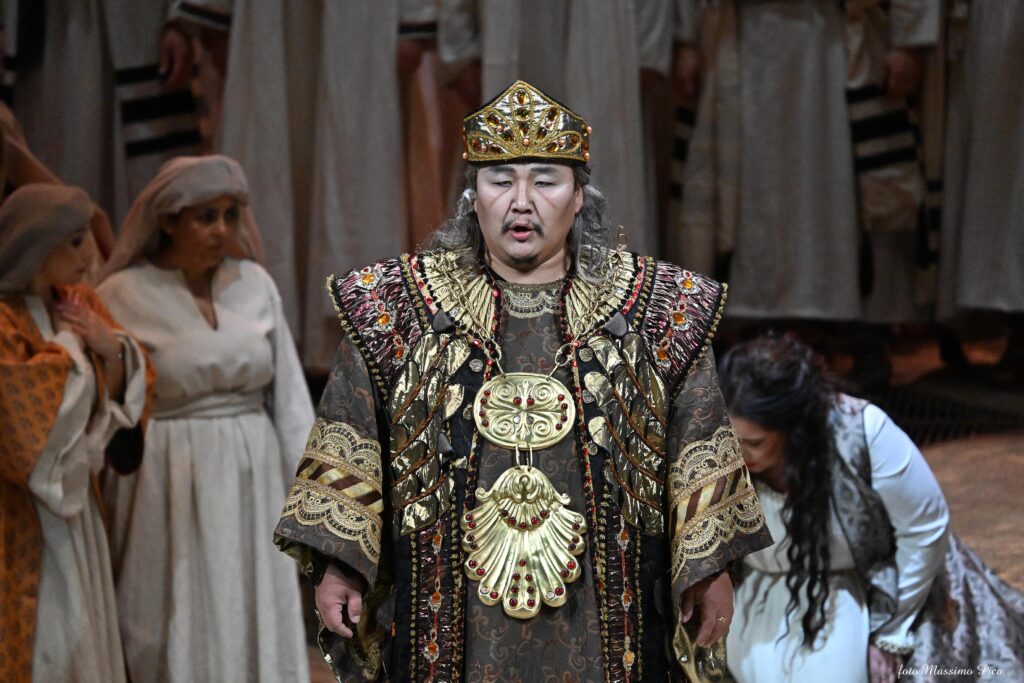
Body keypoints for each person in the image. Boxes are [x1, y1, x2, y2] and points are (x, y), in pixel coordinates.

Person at [273, 79, 773, 681]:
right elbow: (352, 440)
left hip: (608, 624)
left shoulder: (657, 311)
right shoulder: (396, 310)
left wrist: (711, 569)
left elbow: (697, 447)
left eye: (545, 181)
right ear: (473, 196)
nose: (521, 201)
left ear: (579, 197)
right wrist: (340, 565)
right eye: (500, 180)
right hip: (447, 623)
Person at [96, 155, 311, 683]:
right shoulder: (122, 295)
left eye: (231, 215)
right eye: (206, 216)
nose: (222, 230)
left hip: (252, 472)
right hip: (166, 475)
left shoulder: (254, 284)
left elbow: (289, 399)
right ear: (169, 221)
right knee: (173, 608)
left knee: (251, 599)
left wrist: (311, 497)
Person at [718, 333, 1024, 682]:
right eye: (732, 438)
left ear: (794, 430)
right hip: (760, 589)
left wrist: (892, 630)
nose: (739, 452)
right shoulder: (717, 440)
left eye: (755, 442)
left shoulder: (862, 433)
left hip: (873, 580)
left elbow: (924, 529)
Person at [0, 184, 151, 683]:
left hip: (79, 504)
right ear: (37, 247)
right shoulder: (4, 320)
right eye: (76, 241)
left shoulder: (78, 303)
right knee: (47, 638)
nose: (91, 255)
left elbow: (127, 372)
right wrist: (70, 350)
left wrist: (113, 350)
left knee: (84, 632)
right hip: (21, 510)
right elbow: (22, 417)